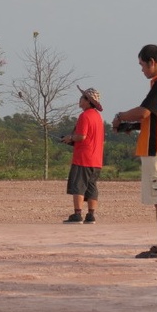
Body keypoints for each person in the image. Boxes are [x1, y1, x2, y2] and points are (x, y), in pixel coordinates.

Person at [112, 44, 157, 258]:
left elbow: (143, 112)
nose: (141, 69)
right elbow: (151, 118)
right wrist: (131, 126)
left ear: (152, 62)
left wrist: (121, 116)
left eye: (142, 65)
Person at [62, 86, 105, 224]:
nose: (79, 100)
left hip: (83, 157)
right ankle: (91, 215)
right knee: (91, 186)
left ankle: (77, 214)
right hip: (96, 159)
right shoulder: (98, 117)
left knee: (78, 186)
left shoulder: (84, 116)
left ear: (87, 101)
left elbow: (81, 136)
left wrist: (69, 138)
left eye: (82, 98)